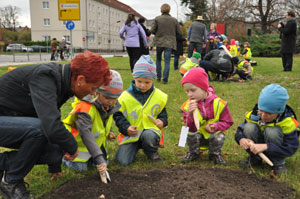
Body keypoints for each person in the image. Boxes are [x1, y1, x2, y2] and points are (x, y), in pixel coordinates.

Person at [0, 51, 111, 199]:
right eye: (93, 88)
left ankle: (3, 164)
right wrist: (72, 147)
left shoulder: (63, 83)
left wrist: (55, 164)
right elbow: (50, 125)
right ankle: (11, 182)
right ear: (80, 79)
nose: (93, 93)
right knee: (40, 130)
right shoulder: (45, 77)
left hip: (11, 120)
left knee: (55, 148)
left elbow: (52, 122)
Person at [62, 70, 123, 176]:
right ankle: (63, 157)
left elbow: (102, 120)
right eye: (107, 97)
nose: (111, 102)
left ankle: (92, 157)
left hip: (96, 145)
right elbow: (85, 134)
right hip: (78, 145)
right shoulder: (85, 108)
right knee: (80, 168)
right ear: (97, 92)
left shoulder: (109, 105)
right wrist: (99, 157)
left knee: (105, 163)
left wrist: (110, 131)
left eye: (114, 98)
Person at [114, 55, 168, 166]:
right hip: (130, 134)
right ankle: (134, 146)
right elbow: (118, 116)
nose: (143, 85)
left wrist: (161, 121)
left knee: (149, 136)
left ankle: (151, 151)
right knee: (122, 161)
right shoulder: (124, 97)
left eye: (147, 82)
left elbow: (163, 114)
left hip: (150, 132)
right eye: (139, 81)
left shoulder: (159, 96)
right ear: (134, 78)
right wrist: (126, 128)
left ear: (153, 80)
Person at [235, 84, 299, 175]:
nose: (263, 115)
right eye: (261, 110)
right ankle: (255, 158)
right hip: (258, 145)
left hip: (277, 147)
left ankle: (278, 163)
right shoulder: (254, 114)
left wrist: (267, 146)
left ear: (279, 111)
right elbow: (239, 131)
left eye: (269, 113)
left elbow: (291, 148)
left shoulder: (288, 122)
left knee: (272, 131)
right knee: (249, 127)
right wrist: (241, 139)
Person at [180, 68, 233, 164]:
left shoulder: (219, 103)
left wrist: (216, 126)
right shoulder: (187, 106)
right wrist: (191, 114)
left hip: (212, 134)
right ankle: (193, 152)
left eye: (192, 90)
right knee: (189, 133)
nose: (190, 94)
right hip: (197, 135)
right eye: (187, 91)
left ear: (204, 87)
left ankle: (215, 154)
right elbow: (189, 127)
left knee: (219, 136)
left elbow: (228, 122)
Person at [151, 3, 181, 84]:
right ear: (169, 10)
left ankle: (158, 77)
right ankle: (165, 80)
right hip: (170, 43)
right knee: (167, 61)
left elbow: (152, 31)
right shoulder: (174, 20)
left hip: (159, 42)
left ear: (161, 9)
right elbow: (179, 32)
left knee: (158, 60)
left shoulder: (157, 19)